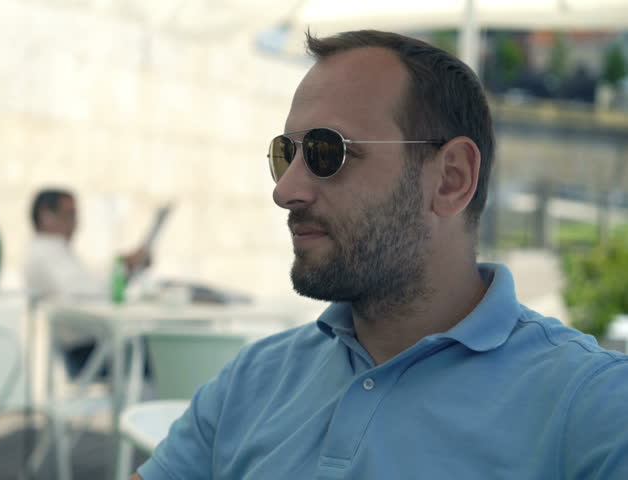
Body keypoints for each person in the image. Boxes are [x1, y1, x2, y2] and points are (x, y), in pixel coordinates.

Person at [132, 30, 628, 479]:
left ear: (451, 178)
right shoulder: (252, 379)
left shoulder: (591, 409)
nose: (286, 190)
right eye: (287, 153)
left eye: (328, 152)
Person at [25, 188, 150, 376]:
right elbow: (87, 291)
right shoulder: (45, 254)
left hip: (96, 345)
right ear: (45, 215)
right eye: (69, 215)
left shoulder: (57, 252)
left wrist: (127, 268)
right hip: (89, 352)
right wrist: (123, 266)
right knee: (160, 355)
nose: (75, 224)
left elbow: (93, 285)